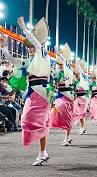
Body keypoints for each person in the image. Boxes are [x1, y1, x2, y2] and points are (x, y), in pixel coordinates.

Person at [17, 17, 51, 166]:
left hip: (41, 92)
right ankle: (43, 152)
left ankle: (43, 153)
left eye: (31, 46)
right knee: (27, 120)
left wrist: (25, 29)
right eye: (28, 47)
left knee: (38, 122)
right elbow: (13, 61)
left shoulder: (42, 52)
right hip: (32, 92)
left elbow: (37, 44)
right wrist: (4, 48)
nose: (29, 49)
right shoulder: (32, 60)